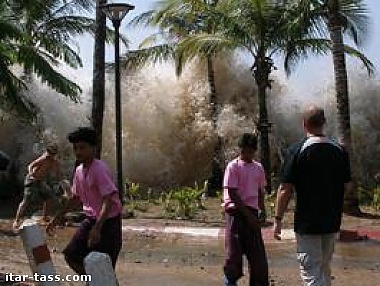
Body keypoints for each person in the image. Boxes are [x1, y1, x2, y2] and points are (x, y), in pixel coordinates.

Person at [273, 106, 353, 286]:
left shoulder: (297, 150)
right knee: (324, 269)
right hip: (332, 221)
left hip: (307, 223)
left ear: (304, 124)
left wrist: (278, 220)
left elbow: (285, 189)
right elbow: (348, 186)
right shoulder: (339, 151)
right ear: (324, 123)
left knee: (311, 272)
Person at [46, 127, 122, 274]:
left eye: (82, 147)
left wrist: (98, 228)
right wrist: (57, 217)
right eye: (75, 148)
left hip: (108, 223)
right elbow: (76, 197)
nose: (78, 152)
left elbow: (109, 200)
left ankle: (100, 282)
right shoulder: (79, 170)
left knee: (104, 268)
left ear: (93, 148)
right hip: (90, 220)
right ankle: (94, 282)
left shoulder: (99, 169)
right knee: (72, 255)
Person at [223, 133, 269, 286]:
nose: (247, 154)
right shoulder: (233, 166)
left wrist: (262, 210)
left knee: (258, 259)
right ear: (240, 149)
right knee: (233, 255)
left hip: (252, 212)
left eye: (250, 151)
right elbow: (232, 193)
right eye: (244, 151)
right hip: (236, 213)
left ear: (254, 151)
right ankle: (230, 281)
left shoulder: (258, 168)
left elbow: (259, 191)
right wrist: (248, 216)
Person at [13, 144, 61, 230]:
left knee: (49, 198)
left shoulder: (53, 161)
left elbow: (57, 171)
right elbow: (30, 165)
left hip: (40, 182)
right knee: (26, 200)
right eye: (50, 153)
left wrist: (59, 180)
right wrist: (31, 174)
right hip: (32, 180)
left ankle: (45, 217)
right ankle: (16, 220)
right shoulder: (43, 158)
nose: (51, 154)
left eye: (53, 153)